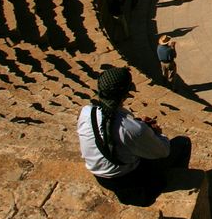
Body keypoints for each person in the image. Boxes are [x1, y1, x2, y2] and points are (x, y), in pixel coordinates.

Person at [76, 66, 192, 206]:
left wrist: (139, 126)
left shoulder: (86, 112)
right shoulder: (133, 129)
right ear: (126, 94)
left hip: (101, 177)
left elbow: (111, 130)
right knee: (183, 143)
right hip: (128, 180)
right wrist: (156, 133)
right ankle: (177, 180)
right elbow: (163, 151)